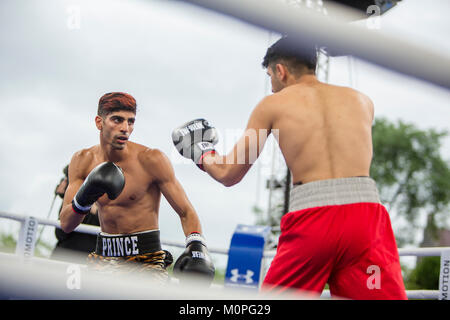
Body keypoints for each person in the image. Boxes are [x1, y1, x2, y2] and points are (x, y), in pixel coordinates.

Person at [172, 36, 407, 299]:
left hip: (314, 220)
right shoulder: (362, 101)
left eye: (270, 76)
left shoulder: (273, 104)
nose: (272, 87)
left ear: (280, 70)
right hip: (366, 219)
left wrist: (203, 153)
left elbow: (229, 173)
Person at [59, 92, 215, 284]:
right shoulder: (82, 160)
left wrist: (197, 245)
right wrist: (83, 198)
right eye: (117, 120)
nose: (125, 128)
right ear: (99, 122)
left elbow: (186, 211)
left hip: (146, 260)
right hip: (104, 257)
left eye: (130, 122)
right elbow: (66, 224)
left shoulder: (151, 159)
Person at [51, 164, 100, 264]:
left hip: (84, 261)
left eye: (66, 179)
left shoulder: (102, 204)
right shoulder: (69, 203)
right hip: (64, 258)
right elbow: (60, 233)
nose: (62, 182)